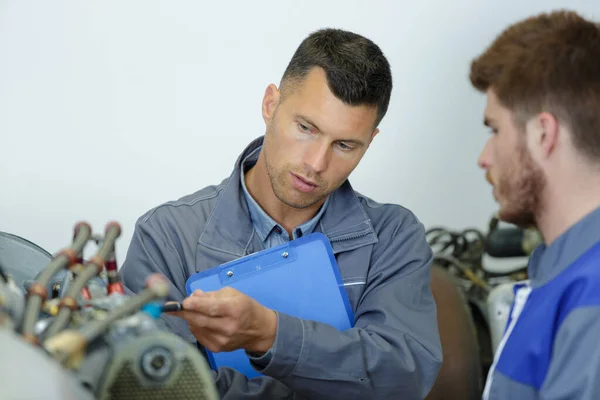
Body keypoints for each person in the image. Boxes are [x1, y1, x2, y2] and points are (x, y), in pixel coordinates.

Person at [120, 28, 442, 399]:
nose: (316, 164)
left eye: (345, 145)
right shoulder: (166, 236)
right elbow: (162, 386)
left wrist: (270, 334)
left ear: (370, 142)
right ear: (270, 104)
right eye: (306, 128)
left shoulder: (394, 236)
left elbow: (402, 379)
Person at [470, 10, 600, 399]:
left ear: (543, 133)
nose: (483, 157)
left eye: (495, 130)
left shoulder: (591, 301)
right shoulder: (562, 275)